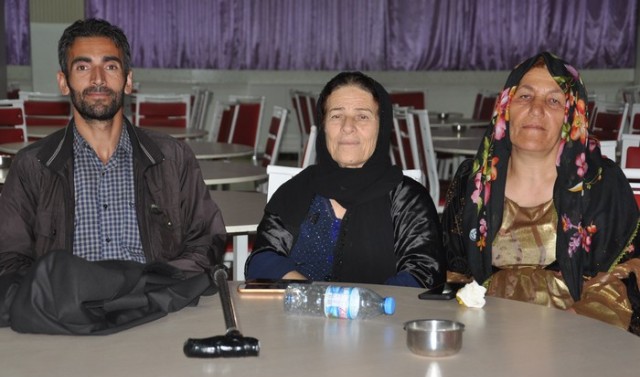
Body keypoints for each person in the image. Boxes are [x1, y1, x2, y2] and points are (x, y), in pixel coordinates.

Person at [0, 18, 226, 276]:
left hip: (153, 296)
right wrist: (60, 290)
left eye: (110, 66)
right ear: (63, 82)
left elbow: (205, 242)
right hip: (69, 300)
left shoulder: (172, 158)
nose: (98, 79)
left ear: (128, 80)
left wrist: (156, 284)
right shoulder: (32, 166)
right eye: (83, 67)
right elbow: (9, 259)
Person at [442, 51, 640, 334]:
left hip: (578, 335)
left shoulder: (600, 183)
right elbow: (453, 273)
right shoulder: (472, 182)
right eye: (525, 96)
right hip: (485, 331)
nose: (536, 109)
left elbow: (623, 275)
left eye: (554, 100)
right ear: (506, 107)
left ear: (572, 115)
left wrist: (565, 329)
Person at [245, 71, 445, 288]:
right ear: (323, 126)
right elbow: (262, 259)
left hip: (384, 310)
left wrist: (359, 302)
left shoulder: (408, 199)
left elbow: (423, 273)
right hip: (301, 308)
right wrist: (315, 294)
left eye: (362, 116)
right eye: (336, 116)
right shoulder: (298, 189)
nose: (348, 126)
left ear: (382, 126)